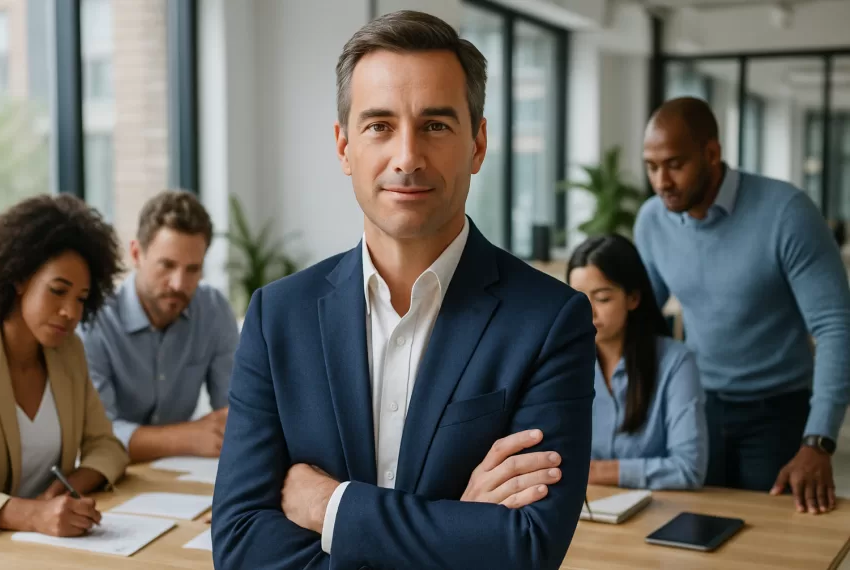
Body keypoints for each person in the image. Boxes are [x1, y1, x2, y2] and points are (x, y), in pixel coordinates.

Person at [211, 10, 595, 570]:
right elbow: (241, 547)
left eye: (436, 125)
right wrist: (457, 529)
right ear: (344, 146)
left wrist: (330, 506)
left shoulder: (550, 320)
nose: (408, 157)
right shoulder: (278, 317)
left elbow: (526, 548)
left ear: (478, 143)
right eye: (379, 126)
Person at [635, 96, 850, 514]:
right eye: (651, 166)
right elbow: (641, 316)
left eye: (675, 164)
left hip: (779, 410)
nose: (662, 181)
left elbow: (836, 326)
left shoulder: (787, 212)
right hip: (697, 406)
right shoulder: (652, 220)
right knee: (692, 533)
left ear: (711, 153)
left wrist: (819, 440)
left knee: (770, 544)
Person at [0, 195, 129, 537]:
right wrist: (32, 515)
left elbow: (107, 446)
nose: (71, 312)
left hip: (52, 545)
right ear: (19, 278)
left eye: (80, 299)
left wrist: (67, 487)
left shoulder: (68, 352)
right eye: (57, 291)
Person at [78, 191, 239, 463]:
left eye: (192, 269)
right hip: (111, 476)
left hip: (184, 475)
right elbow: (97, 436)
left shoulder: (213, 310)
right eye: (167, 265)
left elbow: (236, 411)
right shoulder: (95, 320)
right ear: (136, 253)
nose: (179, 283)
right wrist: (187, 437)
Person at [567, 234, 707, 490]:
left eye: (602, 298)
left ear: (633, 298)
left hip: (658, 511)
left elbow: (688, 468)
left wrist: (594, 471)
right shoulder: (562, 362)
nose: (588, 312)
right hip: (584, 512)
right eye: (578, 299)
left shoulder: (676, 363)